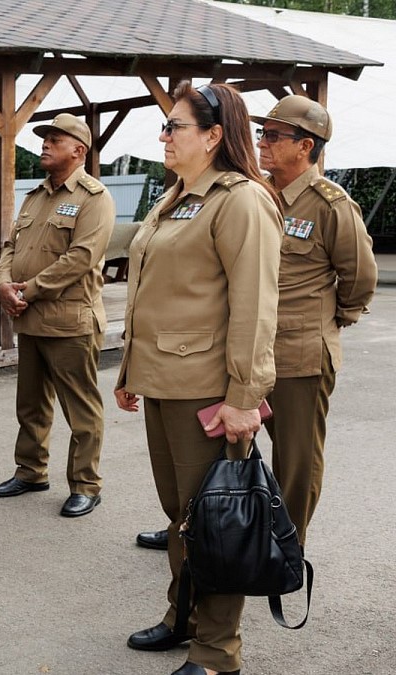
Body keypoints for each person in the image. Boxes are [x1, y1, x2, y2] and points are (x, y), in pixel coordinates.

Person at [133, 96, 379, 553]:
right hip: (243, 350)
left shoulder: (331, 205)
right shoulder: (252, 193)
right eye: (261, 133)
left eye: (273, 135)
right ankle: (213, 531)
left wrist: (328, 320)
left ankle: (283, 547)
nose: (262, 142)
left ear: (306, 146)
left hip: (297, 354)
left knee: (295, 463)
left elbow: (360, 279)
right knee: (229, 459)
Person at [114, 82, 282, 675]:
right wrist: (132, 369)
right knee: (181, 515)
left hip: (209, 389)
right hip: (165, 381)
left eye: (174, 127)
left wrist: (244, 397)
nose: (163, 136)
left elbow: (256, 307)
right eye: (164, 126)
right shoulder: (177, 198)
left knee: (213, 520)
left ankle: (217, 652)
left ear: (212, 136)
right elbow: (153, 291)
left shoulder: (240, 200)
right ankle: (182, 618)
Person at [0, 113, 115, 518]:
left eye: (54, 140)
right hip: (31, 318)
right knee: (30, 404)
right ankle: (30, 471)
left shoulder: (94, 198)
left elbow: (80, 259)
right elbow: (10, 246)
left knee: (80, 410)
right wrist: (3, 283)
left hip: (69, 321)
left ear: (78, 151)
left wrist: (28, 290)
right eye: (45, 138)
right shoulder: (35, 196)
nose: (44, 144)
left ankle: (85, 484)